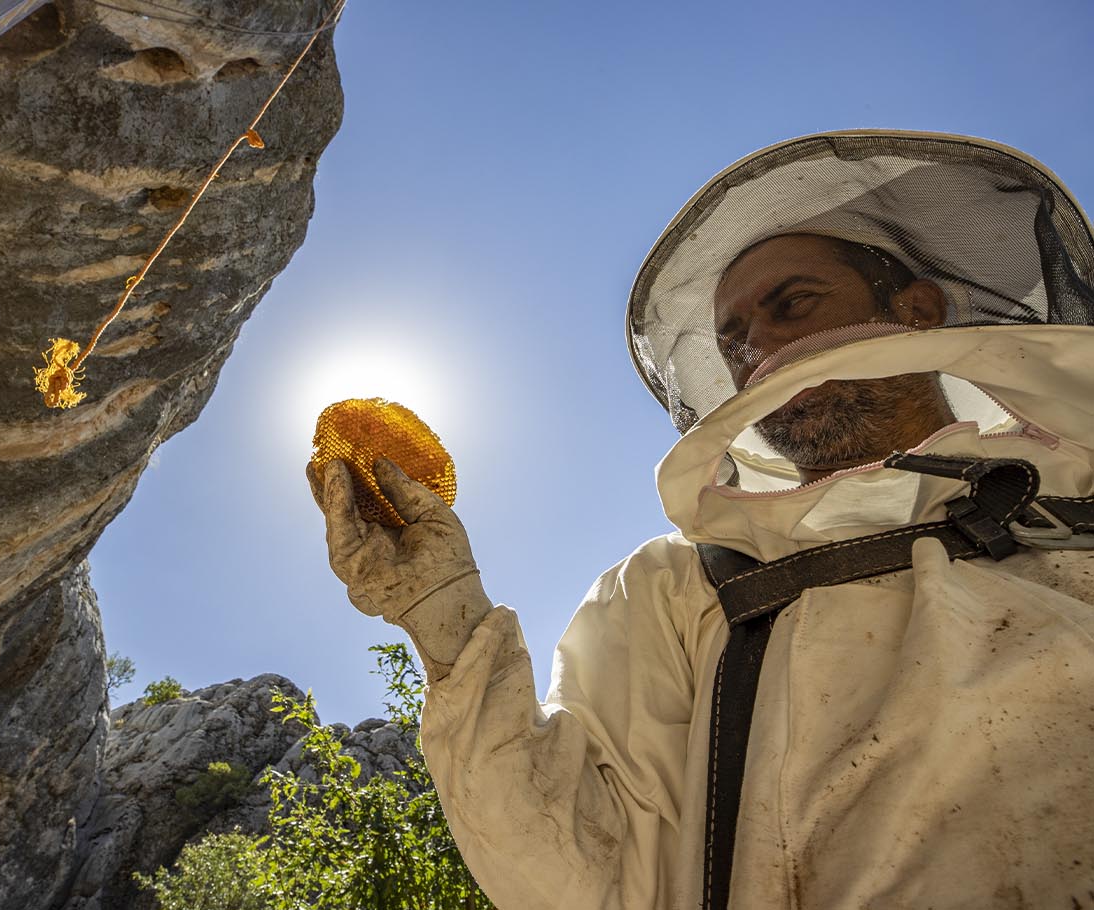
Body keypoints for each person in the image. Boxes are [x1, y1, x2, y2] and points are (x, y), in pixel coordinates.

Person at [307, 131, 1094, 909]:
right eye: (735, 340)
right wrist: (446, 623)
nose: (762, 350)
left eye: (794, 304)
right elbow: (587, 877)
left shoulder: (1074, 508)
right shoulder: (675, 586)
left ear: (917, 310)